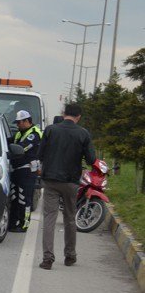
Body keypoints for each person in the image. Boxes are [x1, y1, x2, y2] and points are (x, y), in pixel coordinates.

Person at [37, 102, 96, 269]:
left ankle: (47, 259)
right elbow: (91, 159)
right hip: (71, 182)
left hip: (51, 181)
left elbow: (40, 154)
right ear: (78, 117)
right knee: (70, 217)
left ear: (64, 113)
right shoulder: (83, 133)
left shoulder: (50, 130)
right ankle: (70, 256)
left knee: (49, 218)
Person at [8, 110, 41, 232]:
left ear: (27, 121)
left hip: (27, 170)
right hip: (17, 170)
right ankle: (12, 223)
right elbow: (9, 142)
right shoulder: (19, 133)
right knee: (14, 198)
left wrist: (8, 153)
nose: (17, 125)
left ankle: (24, 225)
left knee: (24, 199)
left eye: (19, 122)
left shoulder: (34, 134)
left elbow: (22, 148)